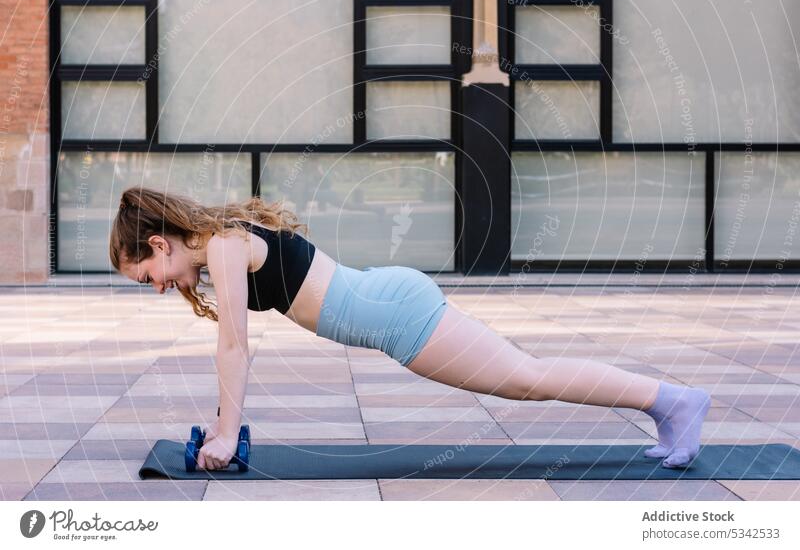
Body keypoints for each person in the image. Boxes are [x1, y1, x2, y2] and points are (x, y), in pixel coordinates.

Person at [110, 186, 711, 471]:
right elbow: (232, 339)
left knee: (526, 379)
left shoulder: (222, 248)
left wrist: (225, 433)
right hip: (388, 304)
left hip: (397, 317)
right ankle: (666, 406)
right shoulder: (222, 243)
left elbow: (234, 344)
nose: (158, 286)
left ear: (160, 244)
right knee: (526, 376)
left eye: (147, 276)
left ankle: (674, 401)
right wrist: (222, 427)